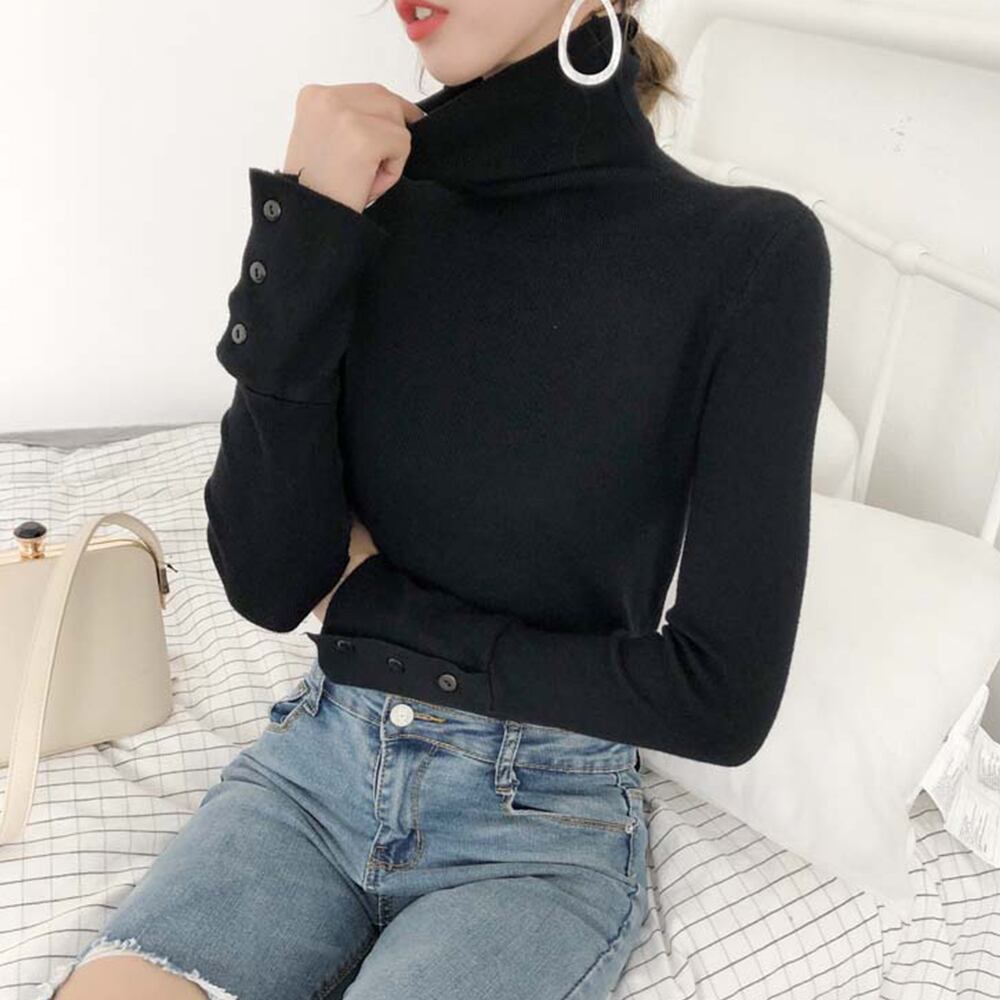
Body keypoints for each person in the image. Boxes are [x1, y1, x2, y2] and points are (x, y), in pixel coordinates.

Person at [45, 0, 830, 997]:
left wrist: (371, 607)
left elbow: (719, 699)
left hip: (538, 827)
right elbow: (270, 582)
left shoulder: (747, 252)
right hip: (318, 767)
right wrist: (304, 228)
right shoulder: (371, 201)